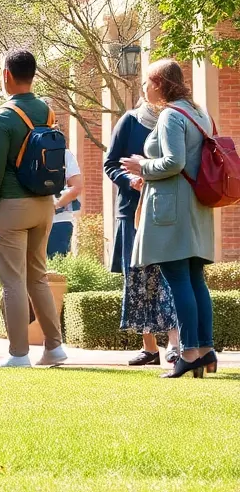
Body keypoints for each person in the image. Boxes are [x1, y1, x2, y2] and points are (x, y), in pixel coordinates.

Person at [121, 59, 218, 378]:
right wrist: (147, 175)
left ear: (160, 83)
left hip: (171, 211)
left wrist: (142, 168)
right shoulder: (199, 112)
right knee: (194, 279)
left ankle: (189, 352)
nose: (144, 89)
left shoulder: (170, 115)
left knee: (178, 279)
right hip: (195, 208)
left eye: (147, 83)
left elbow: (174, 163)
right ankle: (204, 350)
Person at [0, 49, 67, 368]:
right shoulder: (47, 111)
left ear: (6, 74)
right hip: (44, 204)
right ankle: (54, 347)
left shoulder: (3, 116)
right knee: (38, 277)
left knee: (13, 281)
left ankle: (18, 354)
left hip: (11, 207)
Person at [104, 100, 180, 366]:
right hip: (131, 210)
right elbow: (110, 163)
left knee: (169, 276)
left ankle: (175, 344)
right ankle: (150, 348)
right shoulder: (130, 120)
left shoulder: (175, 120)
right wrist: (130, 180)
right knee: (136, 278)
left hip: (165, 210)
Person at [48, 134, 83, 258]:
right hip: (53, 220)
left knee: (54, 266)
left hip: (58, 220)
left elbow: (76, 187)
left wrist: (55, 206)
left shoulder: (64, 155)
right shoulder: (64, 154)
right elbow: (76, 187)